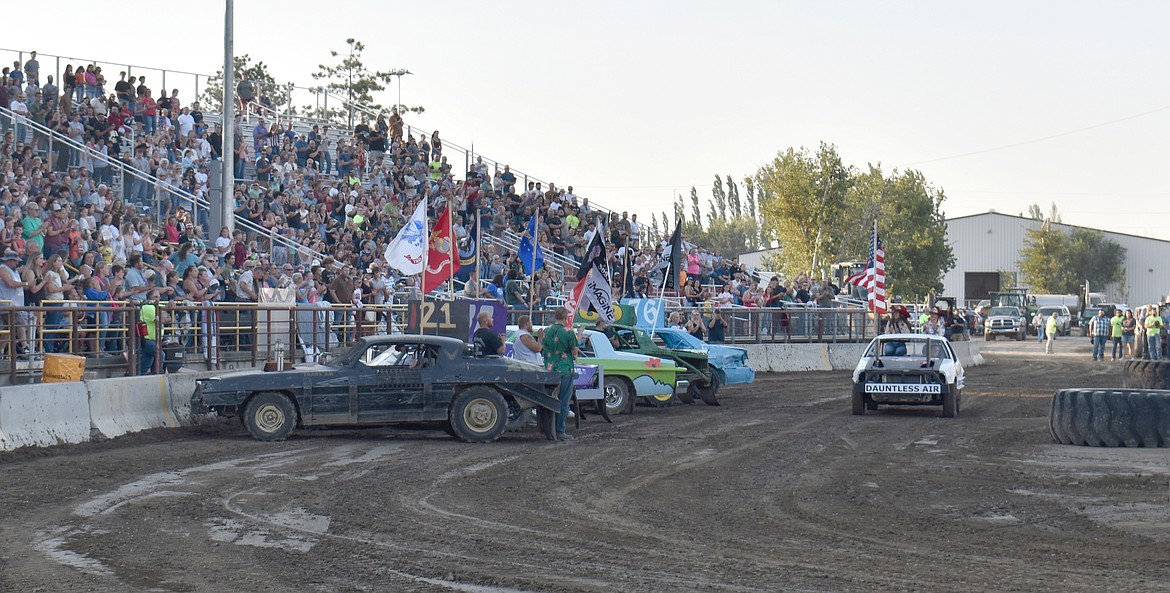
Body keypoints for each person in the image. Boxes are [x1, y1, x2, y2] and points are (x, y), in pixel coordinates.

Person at [541, 307, 581, 442]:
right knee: (563, 401)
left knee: (549, 401)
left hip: (549, 369)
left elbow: (542, 349)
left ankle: (548, 431)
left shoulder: (546, 331)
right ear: (566, 317)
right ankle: (559, 431)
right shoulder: (568, 332)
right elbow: (574, 352)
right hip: (564, 369)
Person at [138, 289, 167, 375]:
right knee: (160, 355)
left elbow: (168, 318)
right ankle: (156, 375)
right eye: (155, 297)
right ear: (149, 298)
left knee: (146, 363)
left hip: (155, 340)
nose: (158, 299)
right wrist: (163, 316)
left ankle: (141, 378)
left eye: (158, 297)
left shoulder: (157, 306)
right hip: (147, 340)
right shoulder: (148, 307)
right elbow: (163, 319)